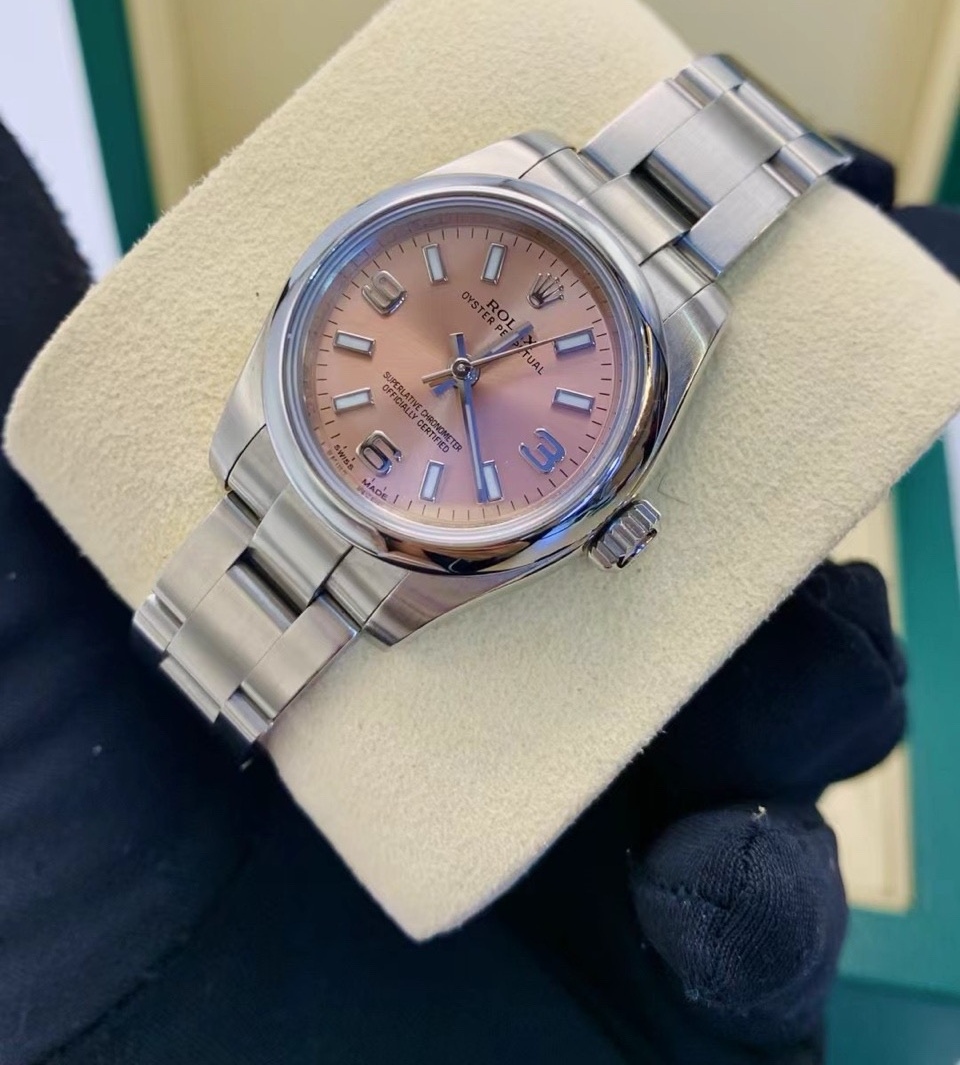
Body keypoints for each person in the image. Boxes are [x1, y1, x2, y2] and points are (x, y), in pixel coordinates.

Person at [2, 123, 951, 1064]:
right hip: (308, 450)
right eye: (466, 361)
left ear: (613, 522)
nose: (464, 370)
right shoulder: (493, 200)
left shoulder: (633, 395)